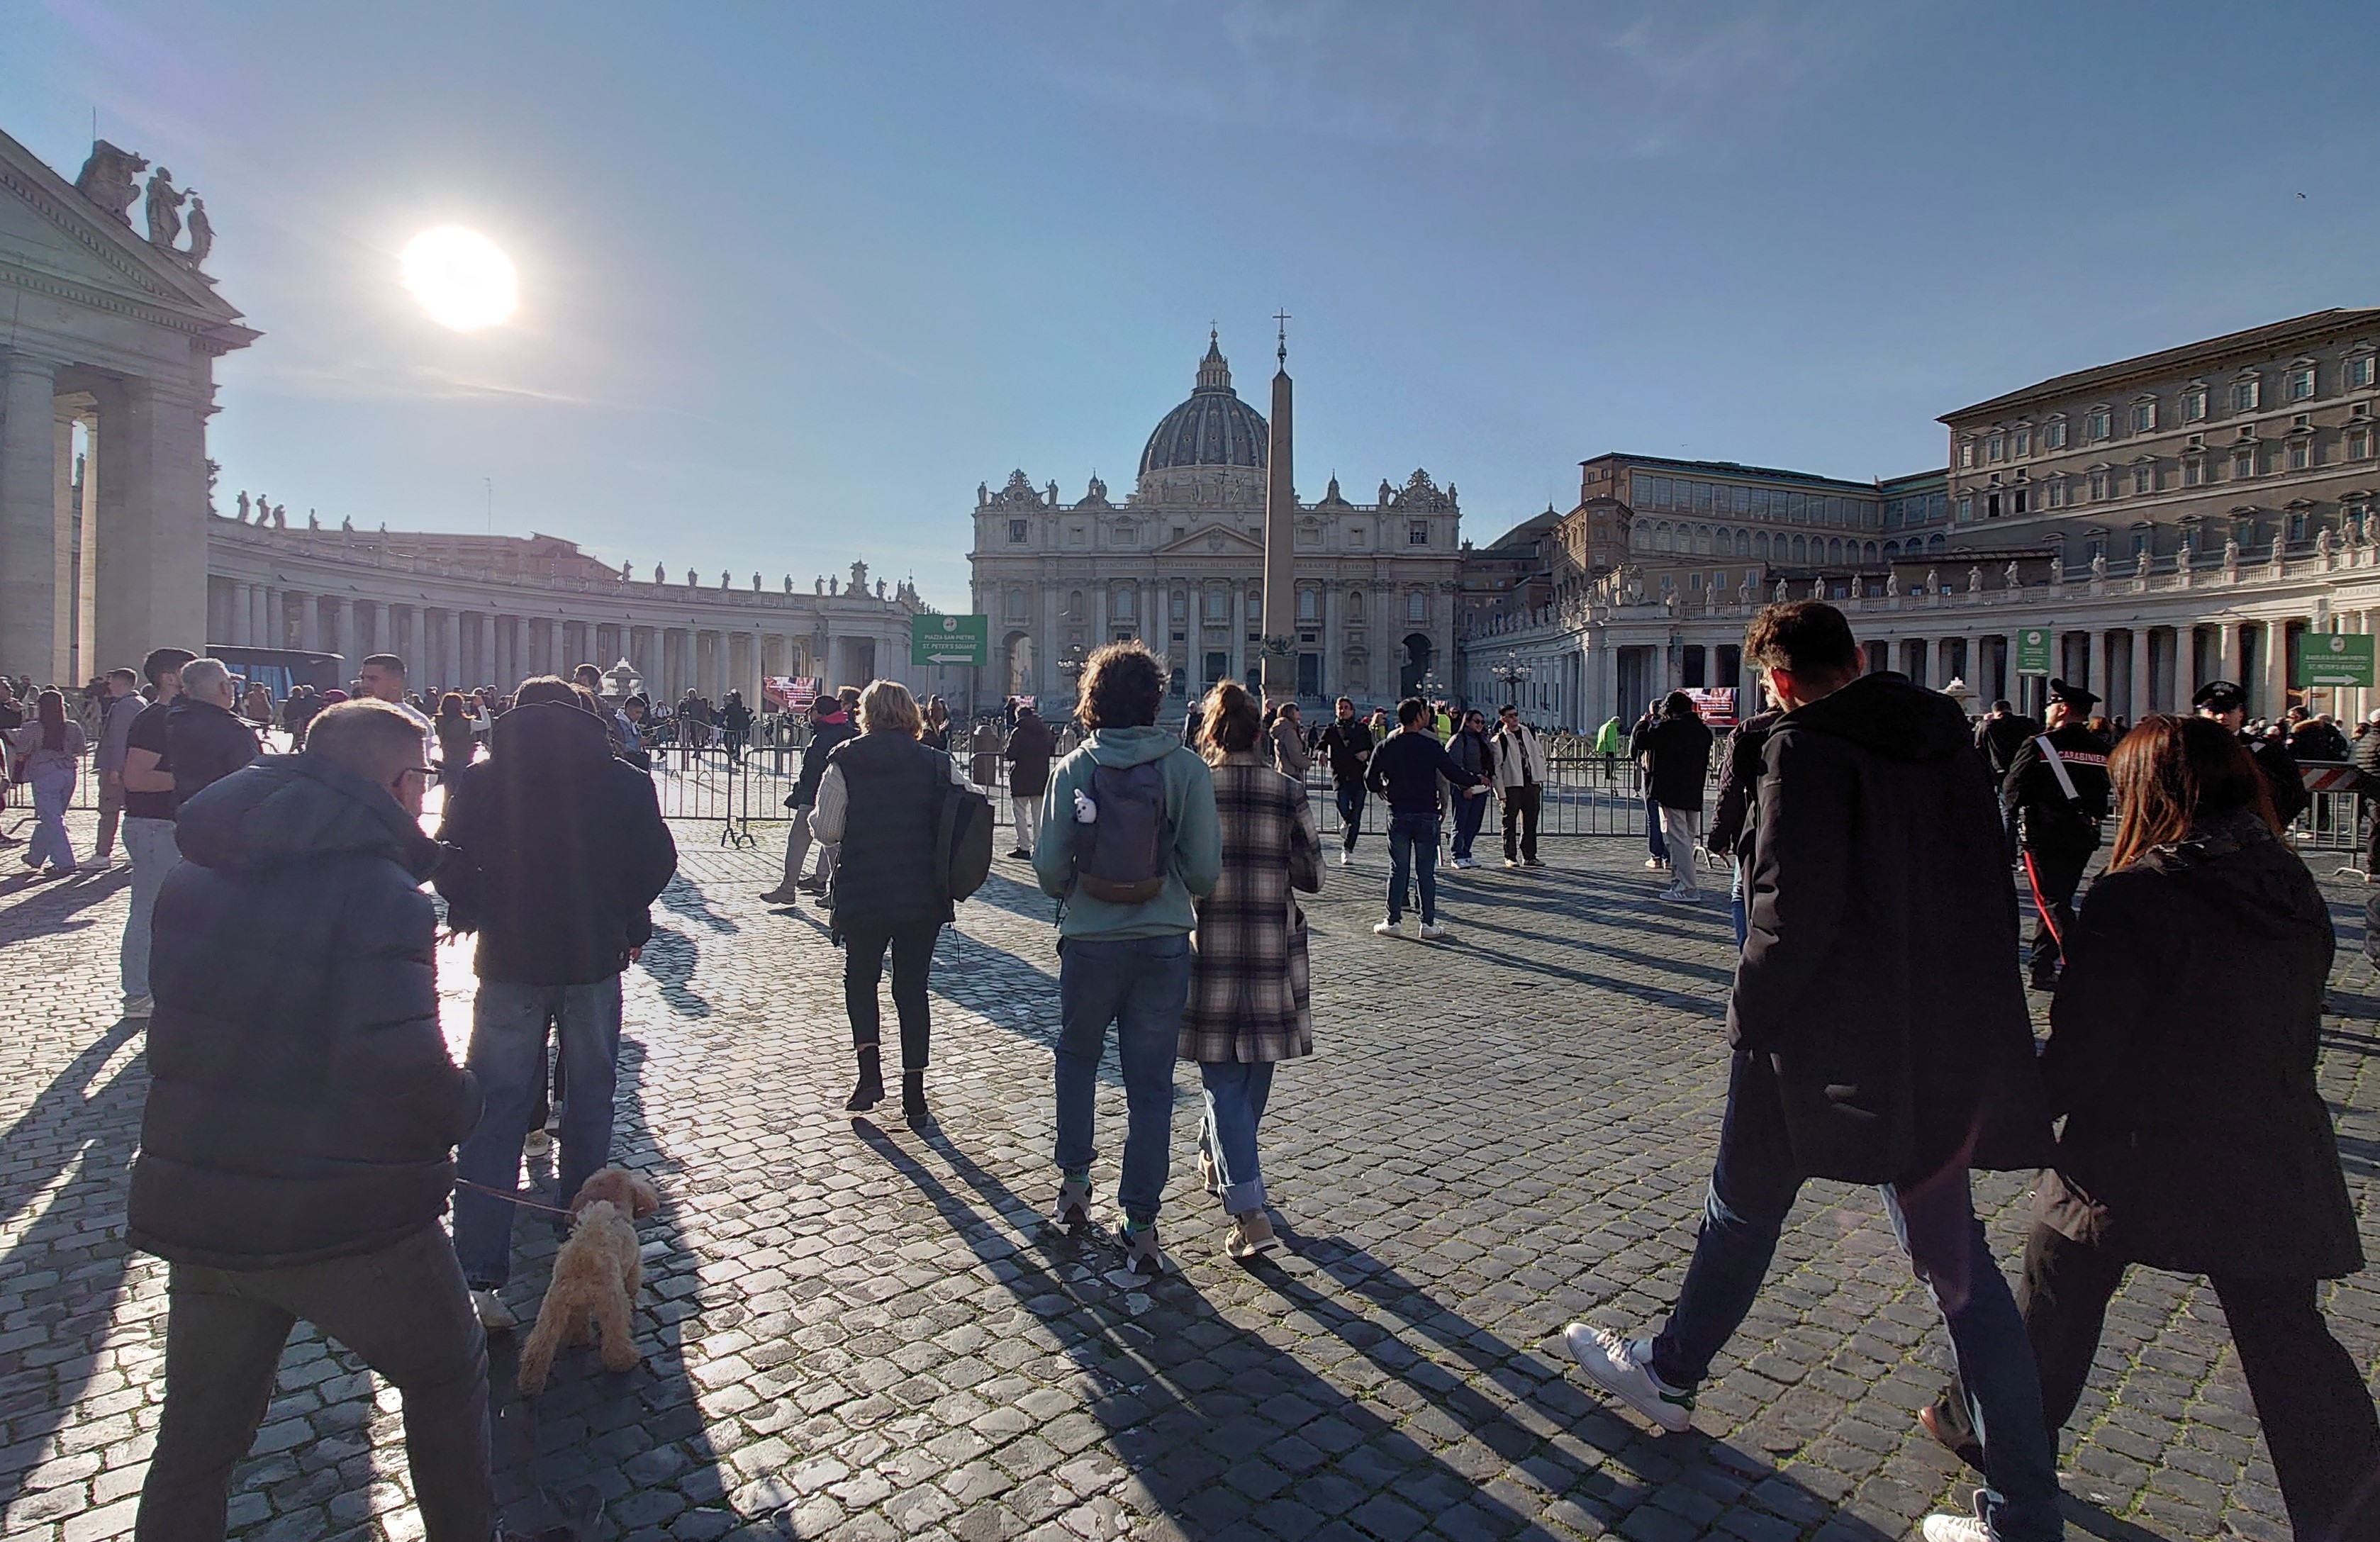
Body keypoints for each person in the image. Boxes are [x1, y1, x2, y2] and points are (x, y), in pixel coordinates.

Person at [1560, 602, 2061, 1542]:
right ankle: (2024, 1511)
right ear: (1862, 658)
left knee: (1742, 1209)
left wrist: (1746, 1011)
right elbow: (1987, 874)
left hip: (1816, 1038)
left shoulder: (1803, 748)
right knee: (1959, 1274)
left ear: (1777, 680)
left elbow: (1792, 909)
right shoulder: (1948, 737)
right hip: (1935, 1033)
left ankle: (1669, 1372)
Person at [1923, 715, 2380, 1542]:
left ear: (2148, 795)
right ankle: (2352, 1514)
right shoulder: (2287, 880)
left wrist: (1993, 1122)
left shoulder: (2140, 892)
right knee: (2290, 1346)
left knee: (2052, 1295)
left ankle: (1990, 1441)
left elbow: (2086, 1047)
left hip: (2134, 1145)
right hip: (2269, 1141)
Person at [128, 699, 493, 1540]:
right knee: (447, 1374)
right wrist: (470, 1102)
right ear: (405, 784)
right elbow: (402, 1076)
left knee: (194, 1443)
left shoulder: (195, 874)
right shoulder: (382, 896)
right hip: (345, 1214)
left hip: (204, 1197)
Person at [437, 677, 678, 1331]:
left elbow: (449, 863)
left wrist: (487, 904)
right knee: (591, 1100)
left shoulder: (485, 781)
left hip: (511, 958)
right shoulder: (624, 780)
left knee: (493, 1108)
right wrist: (616, 909)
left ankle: (480, 1274)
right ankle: (586, 1246)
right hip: (590, 956)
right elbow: (658, 860)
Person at [1034, 643, 1222, 1276]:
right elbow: (1203, 870)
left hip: (1089, 941)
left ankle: (1074, 1184)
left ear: (1091, 699)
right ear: (1156, 701)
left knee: (1077, 1060)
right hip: (1163, 941)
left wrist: (1082, 887)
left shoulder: (1072, 768)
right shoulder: (1187, 769)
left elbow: (1047, 870)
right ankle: (1140, 1223)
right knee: (1149, 1086)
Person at [1181, 681, 1320, 1261]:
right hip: (1267, 940)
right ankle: (1229, 1168)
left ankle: (1249, 1207)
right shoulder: (1286, 791)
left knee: (1220, 1078)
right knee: (1251, 1071)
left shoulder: (1193, 792)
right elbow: (1312, 873)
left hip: (1207, 943)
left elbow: (1177, 868)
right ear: (1261, 734)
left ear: (1209, 734)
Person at [808, 679, 975, 1129]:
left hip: (864, 888)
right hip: (921, 891)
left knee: (861, 979)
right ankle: (915, 1093)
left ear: (865, 713)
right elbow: (971, 808)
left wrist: (813, 817)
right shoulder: (938, 762)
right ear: (912, 715)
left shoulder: (845, 759)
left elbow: (826, 830)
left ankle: (869, 1077)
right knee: (912, 988)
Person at [2002, 678, 2112, 993]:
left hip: (2044, 835)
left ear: (2062, 709)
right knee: (2059, 899)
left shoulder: (2041, 744)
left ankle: (2081, 962)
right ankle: (2041, 967)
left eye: (2051, 705)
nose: (2048, 710)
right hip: (2084, 835)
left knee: (2051, 902)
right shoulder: (2101, 749)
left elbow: (2012, 789)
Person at [118, 646, 196, 1019]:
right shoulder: (153, 721)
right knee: (148, 910)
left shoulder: (179, 716)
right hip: (153, 826)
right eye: (188, 671)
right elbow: (135, 778)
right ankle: (137, 993)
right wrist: (192, 778)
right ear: (170, 678)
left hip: (170, 825)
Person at [1365, 697, 1484, 941]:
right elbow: (1453, 773)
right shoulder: (1429, 746)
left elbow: (1369, 780)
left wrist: (1383, 788)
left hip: (1398, 812)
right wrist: (1476, 779)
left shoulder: (1387, 746)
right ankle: (1428, 923)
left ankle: (1393, 921)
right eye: (1425, 713)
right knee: (1425, 871)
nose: (1429, 716)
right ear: (1418, 717)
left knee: (1397, 869)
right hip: (1427, 813)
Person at [761, 693, 856, 905]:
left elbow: (812, 770)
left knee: (805, 842)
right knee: (829, 845)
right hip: (833, 797)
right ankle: (833, 891)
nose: (808, 713)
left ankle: (791, 890)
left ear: (821, 713)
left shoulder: (825, 736)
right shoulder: (846, 731)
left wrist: (801, 794)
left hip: (817, 797)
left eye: (812, 709)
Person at [1706, 690, 1782, 949]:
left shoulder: (1749, 730)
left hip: (1755, 827)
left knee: (1742, 891)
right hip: (1807, 832)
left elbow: (1729, 789)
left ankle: (1748, 952)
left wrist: (1719, 836)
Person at [2196, 680, 2309, 829]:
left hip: (2251, 835)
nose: (2222, 717)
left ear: (2241, 714)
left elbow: (2294, 793)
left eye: (2229, 711)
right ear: (2200, 714)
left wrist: (2269, 827)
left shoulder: (2265, 750)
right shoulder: (2187, 749)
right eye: (2214, 712)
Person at [1638, 692, 1715, 903]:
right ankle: (1679, 883)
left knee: (1678, 841)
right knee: (1686, 840)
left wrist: (1643, 724)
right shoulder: (1703, 731)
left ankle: (1687, 888)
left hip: (1671, 791)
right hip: (1694, 792)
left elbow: (1641, 741)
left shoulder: (1669, 728)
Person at [167, 659, 262, 812]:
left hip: (184, 812)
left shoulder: (174, 720)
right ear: (224, 688)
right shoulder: (235, 730)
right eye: (231, 684)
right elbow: (251, 784)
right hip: (225, 818)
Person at [10, 689, 84, 876]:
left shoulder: (32, 728)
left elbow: (22, 752)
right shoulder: (73, 726)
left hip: (44, 772)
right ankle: (35, 856)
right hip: (68, 771)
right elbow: (80, 748)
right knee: (52, 817)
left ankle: (65, 861)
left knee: (51, 818)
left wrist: (17, 776)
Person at [1488, 703, 1548, 868]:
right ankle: (1510, 856)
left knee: (1531, 821)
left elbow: (1539, 754)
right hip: (1511, 784)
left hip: (1531, 782)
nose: (1515, 718)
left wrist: (1539, 772)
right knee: (1509, 822)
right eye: (1510, 716)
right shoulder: (1500, 739)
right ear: (1503, 719)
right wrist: (1500, 791)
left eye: (1516, 715)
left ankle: (1530, 855)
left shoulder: (1529, 732)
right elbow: (1497, 768)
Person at [93, 666, 143, 867]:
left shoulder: (124, 706)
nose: (109, 686)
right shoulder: (138, 703)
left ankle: (103, 853)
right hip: (129, 766)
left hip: (118, 768)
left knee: (109, 809)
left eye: (112, 681)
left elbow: (120, 739)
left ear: (121, 683)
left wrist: (116, 768)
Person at [1317, 698, 1375, 865]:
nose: (1342, 711)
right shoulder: (1331, 730)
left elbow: (1373, 749)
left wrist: (1367, 754)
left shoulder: (1363, 729)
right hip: (1339, 776)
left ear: (1352, 710)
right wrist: (1320, 753)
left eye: (1346, 708)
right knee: (1342, 804)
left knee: (1356, 814)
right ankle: (1346, 824)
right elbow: (1320, 745)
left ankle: (1347, 849)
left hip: (1359, 776)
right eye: (1340, 708)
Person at [357, 652, 439, 770]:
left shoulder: (415, 722)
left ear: (396, 683)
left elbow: (421, 773)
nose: (364, 685)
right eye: (363, 678)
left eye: (373, 679)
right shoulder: (357, 717)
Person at [1002, 705, 1056, 861]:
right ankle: (1038, 847)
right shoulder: (1044, 731)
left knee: (1019, 814)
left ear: (1019, 716)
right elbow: (1051, 749)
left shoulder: (1018, 732)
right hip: (1040, 779)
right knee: (1038, 816)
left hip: (1021, 779)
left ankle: (1023, 847)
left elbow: (1010, 754)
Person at [1443, 708, 1494, 869]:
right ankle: (1456, 855)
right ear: (1467, 722)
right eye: (1477, 721)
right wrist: (1464, 786)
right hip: (1464, 787)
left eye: (1482, 722)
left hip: (1480, 787)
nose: (1480, 725)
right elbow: (1455, 765)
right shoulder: (1459, 739)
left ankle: (1466, 852)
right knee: (1461, 821)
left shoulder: (1482, 739)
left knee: (1474, 823)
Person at [434, 693, 476, 781]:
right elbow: (486, 723)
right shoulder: (467, 723)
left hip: (447, 760)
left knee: (449, 789)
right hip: (465, 761)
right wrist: (481, 706)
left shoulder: (439, 722)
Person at [1268, 700, 1310, 781]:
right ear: (1291, 713)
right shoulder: (1289, 732)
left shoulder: (1285, 729)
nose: (1299, 712)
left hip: (1285, 771)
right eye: (1296, 710)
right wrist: (1307, 762)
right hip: (1292, 773)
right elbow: (1294, 756)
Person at [720, 689, 754, 764]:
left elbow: (726, 712)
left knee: (726, 738)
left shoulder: (732, 705)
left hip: (732, 725)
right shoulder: (738, 704)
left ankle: (732, 752)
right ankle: (737, 754)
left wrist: (726, 706)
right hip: (737, 725)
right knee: (737, 739)